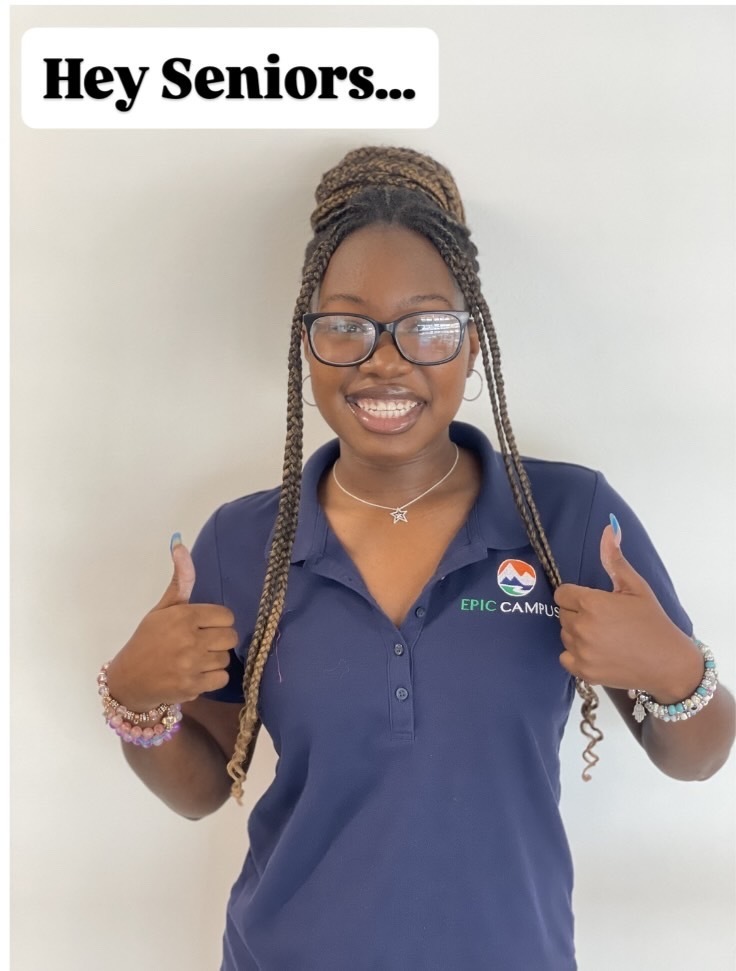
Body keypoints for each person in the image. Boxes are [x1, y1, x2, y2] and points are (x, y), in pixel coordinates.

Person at [100, 146, 735, 970]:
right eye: (346, 325)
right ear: (308, 342)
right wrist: (136, 704)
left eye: (427, 326)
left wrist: (677, 670)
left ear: (474, 346)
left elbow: (699, 756)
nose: (384, 359)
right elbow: (202, 789)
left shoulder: (570, 520)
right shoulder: (245, 541)